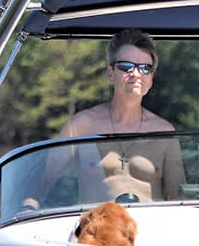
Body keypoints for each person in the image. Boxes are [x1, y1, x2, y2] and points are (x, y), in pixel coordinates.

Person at [29, 29, 183, 207]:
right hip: (95, 230)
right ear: (111, 74)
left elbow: (178, 197)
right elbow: (41, 183)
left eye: (145, 68)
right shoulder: (81, 125)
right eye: (126, 66)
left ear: (151, 79)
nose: (136, 74)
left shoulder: (164, 132)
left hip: (149, 230)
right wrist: (26, 209)